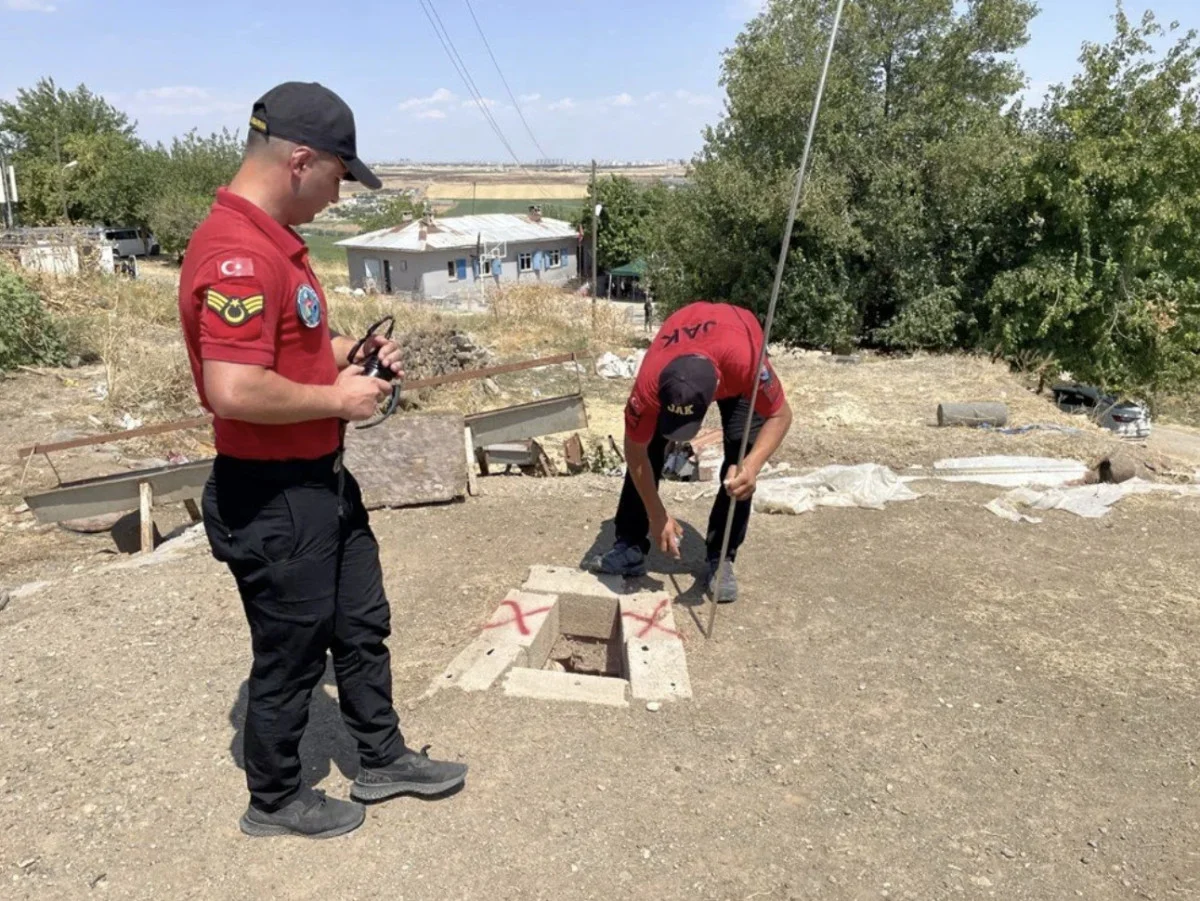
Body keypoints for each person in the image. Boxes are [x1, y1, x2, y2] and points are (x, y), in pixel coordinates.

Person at [178, 81, 467, 840]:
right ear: (300, 159)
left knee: (360, 623)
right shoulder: (239, 251)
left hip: (321, 482)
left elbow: (293, 352)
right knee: (294, 649)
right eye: (339, 178)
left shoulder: (275, 243)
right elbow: (234, 387)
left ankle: (381, 757)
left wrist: (350, 356)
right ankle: (273, 798)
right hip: (273, 495)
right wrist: (340, 401)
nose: (339, 197)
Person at [588, 300, 793, 602]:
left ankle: (721, 557)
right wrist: (657, 515)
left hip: (735, 346)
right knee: (650, 446)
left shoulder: (746, 365)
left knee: (740, 456)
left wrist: (751, 466)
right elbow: (635, 450)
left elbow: (781, 415)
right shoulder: (649, 384)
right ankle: (629, 544)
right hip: (683, 342)